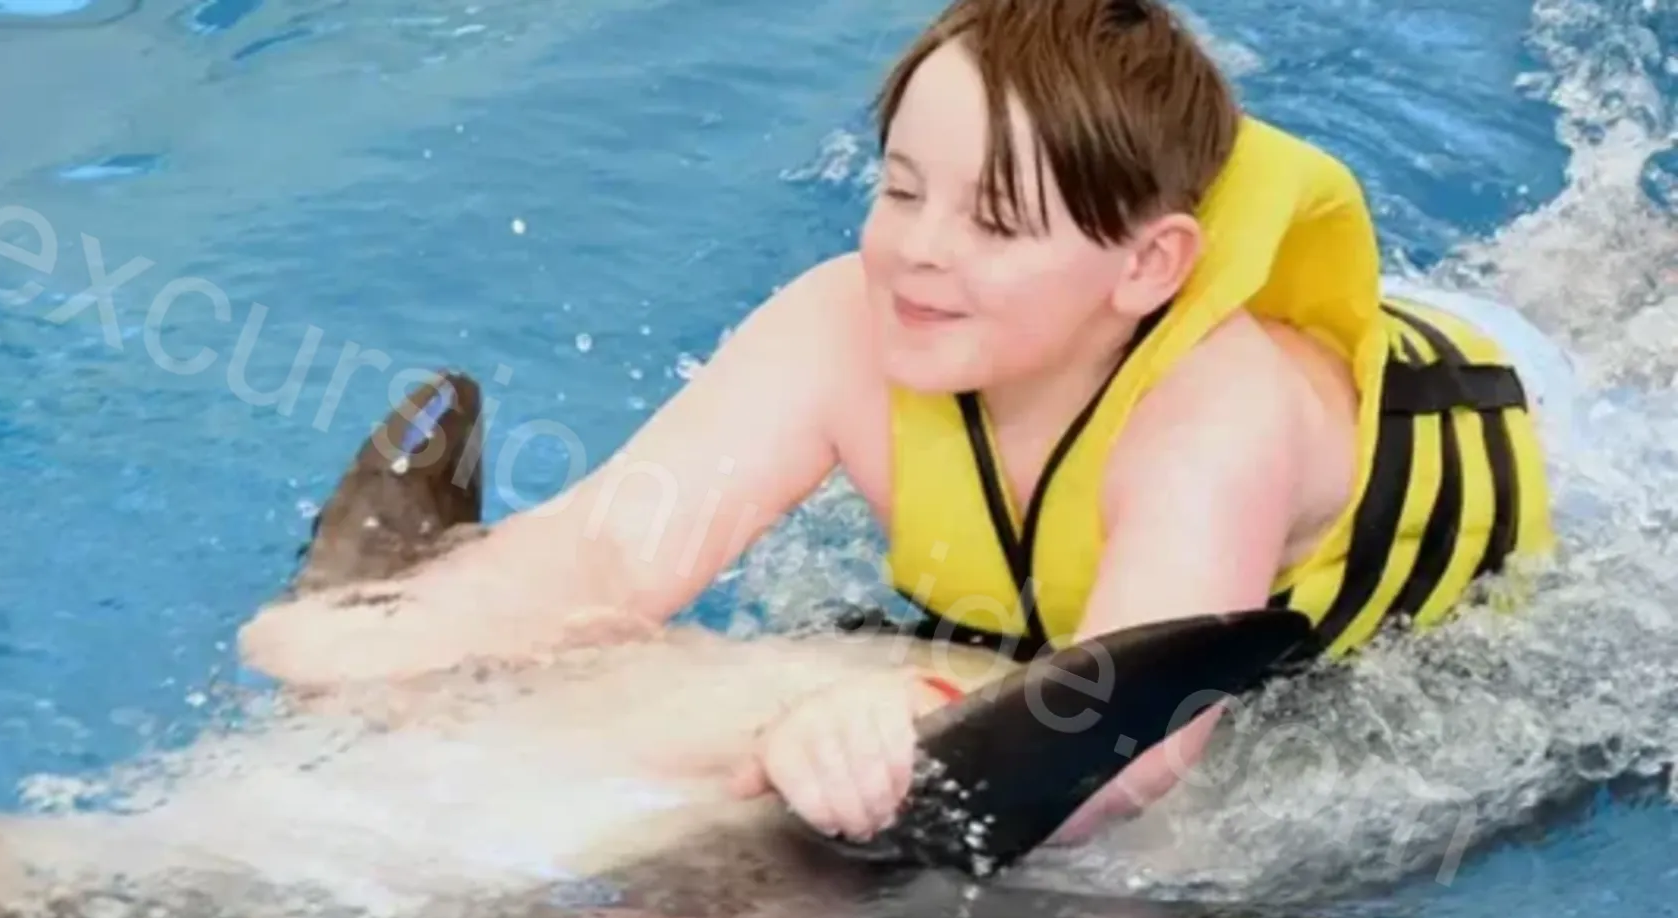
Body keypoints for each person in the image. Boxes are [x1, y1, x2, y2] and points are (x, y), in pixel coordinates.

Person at [240, 0, 1555, 849]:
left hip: (1512, 433)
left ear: (1148, 266)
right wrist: (397, 627)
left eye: (995, 222)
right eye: (903, 191)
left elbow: (1137, 745)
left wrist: (888, 714)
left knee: (1596, 314)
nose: (921, 250)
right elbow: (612, 554)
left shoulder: (1215, 420)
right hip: (1166, 446)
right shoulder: (847, 324)